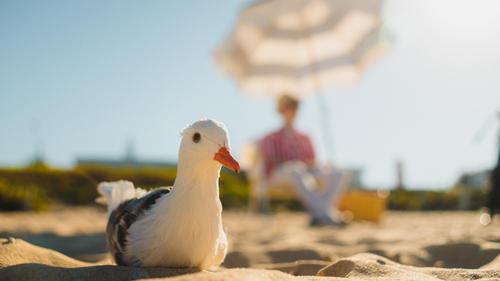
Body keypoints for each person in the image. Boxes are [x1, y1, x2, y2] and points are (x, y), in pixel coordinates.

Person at [258, 94, 347, 226]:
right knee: (295, 170)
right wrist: (294, 163)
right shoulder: (270, 137)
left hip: (306, 172)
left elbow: (312, 160)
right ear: (281, 110)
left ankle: (321, 215)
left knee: (337, 173)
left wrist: (309, 163)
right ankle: (327, 214)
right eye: (289, 107)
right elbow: (270, 162)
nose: (292, 110)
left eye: (295, 107)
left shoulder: (305, 137)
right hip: (279, 174)